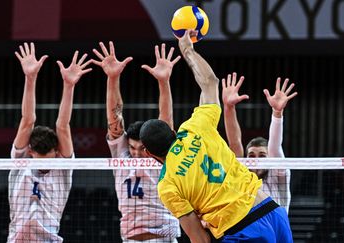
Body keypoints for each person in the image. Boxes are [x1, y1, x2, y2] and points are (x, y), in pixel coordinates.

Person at [139, 30, 293, 242]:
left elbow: (199, 239)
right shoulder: (195, 127)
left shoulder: (168, 186)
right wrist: (187, 49)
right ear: (173, 132)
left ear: (148, 154)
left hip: (243, 231)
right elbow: (210, 82)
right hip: (273, 212)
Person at [91, 41, 181, 242]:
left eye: (142, 148)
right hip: (130, 237)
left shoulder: (160, 156)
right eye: (132, 147)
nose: (137, 153)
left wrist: (163, 82)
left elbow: (166, 119)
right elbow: (115, 119)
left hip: (163, 234)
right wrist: (113, 78)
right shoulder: (122, 156)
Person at [8, 42, 92, 242]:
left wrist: (69, 85)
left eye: (49, 157)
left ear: (56, 151)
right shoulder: (19, 163)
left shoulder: (62, 168)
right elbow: (28, 120)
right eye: (40, 158)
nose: (45, 163)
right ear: (30, 152)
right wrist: (30, 77)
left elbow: (62, 125)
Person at [222, 73, 297, 213]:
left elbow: (274, 147)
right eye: (251, 155)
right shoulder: (242, 176)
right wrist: (228, 107)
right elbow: (235, 143)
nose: (256, 160)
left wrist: (277, 113)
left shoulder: (279, 176)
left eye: (262, 155)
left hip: (275, 233)